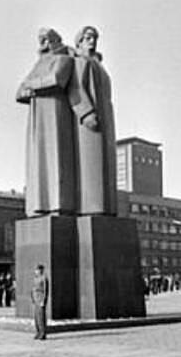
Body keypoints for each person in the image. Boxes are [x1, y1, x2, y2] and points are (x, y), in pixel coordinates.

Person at [17, 27, 77, 217]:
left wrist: (31, 86)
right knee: (38, 162)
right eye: (40, 40)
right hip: (37, 119)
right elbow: (19, 92)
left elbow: (57, 79)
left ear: (57, 41)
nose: (43, 44)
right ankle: (39, 206)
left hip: (56, 114)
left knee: (56, 157)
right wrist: (33, 86)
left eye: (47, 39)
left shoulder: (64, 59)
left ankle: (58, 204)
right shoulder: (38, 65)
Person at [67, 25, 118, 216]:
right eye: (88, 37)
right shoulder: (79, 62)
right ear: (79, 41)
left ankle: (106, 208)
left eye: (94, 37)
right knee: (91, 163)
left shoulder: (98, 65)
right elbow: (76, 88)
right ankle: (91, 207)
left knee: (105, 164)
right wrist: (86, 112)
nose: (92, 41)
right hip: (89, 123)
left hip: (105, 118)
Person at [31, 264, 49, 340]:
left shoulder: (44, 278)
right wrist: (32, 298)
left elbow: (45, 290)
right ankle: (38, 332)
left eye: (37, 270)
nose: (36, 271)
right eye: (36, 270)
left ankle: (43, 333)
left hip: (40, 299)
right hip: (35, 300)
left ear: (41, 270)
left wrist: (44, 300)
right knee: (36, 317)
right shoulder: (35, 278)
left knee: (41, 317)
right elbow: (33, 289)